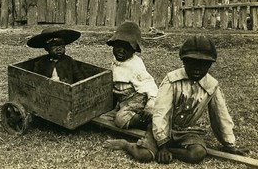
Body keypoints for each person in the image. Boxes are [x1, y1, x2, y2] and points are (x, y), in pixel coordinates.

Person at [104, 35, 246, 164]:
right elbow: (161, 113)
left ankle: (169, 151)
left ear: (210, 65)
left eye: (203, 64)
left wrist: (230, 144)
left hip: (187, 130)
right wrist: (162, 144)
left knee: (198, 153)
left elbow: (220, 116)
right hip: (164, 126)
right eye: (191, 62)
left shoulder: (212, 85)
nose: (197, 69)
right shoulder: (172, 80)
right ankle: (126, 144)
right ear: (183, 61)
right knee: (144, 155)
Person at [106, 21, 158, 130]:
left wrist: (150, 105)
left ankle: (145, 122)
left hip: (138, 99)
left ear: (134, 50)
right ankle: (127, 111)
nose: (121, 50)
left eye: (127, 48)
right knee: (106, 112)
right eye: (118, 46)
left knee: (120, 119)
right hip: (124, 99)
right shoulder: (116, 61)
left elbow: (149, 85)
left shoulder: (135, 66)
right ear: (113, 45)